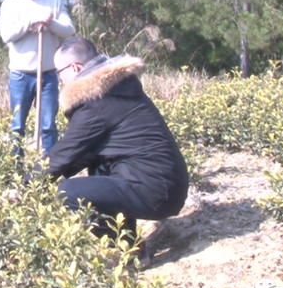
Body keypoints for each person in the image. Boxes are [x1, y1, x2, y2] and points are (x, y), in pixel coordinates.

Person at [20, 36, 190, 255]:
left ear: (74, 68)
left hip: (156, 190)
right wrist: (44, 179)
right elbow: (81, 154)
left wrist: (25, 189)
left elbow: (64, 154)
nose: (58, 78)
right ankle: (131, 245)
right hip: (165, 185)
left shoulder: (96, 102)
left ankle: (130, 252)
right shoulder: (115, 89)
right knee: (98, 166)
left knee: (68, 193)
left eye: (58, 71)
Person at [0, 0, 75, 156]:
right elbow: (7, 35)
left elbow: (69, 30)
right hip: (20, 75)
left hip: (48, 73)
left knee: (48, 125)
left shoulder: (53, 0)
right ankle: (16, 168)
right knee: (17, 125)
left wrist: (49, 23)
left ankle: (50, 169)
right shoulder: (10, 4)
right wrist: (32, 20)